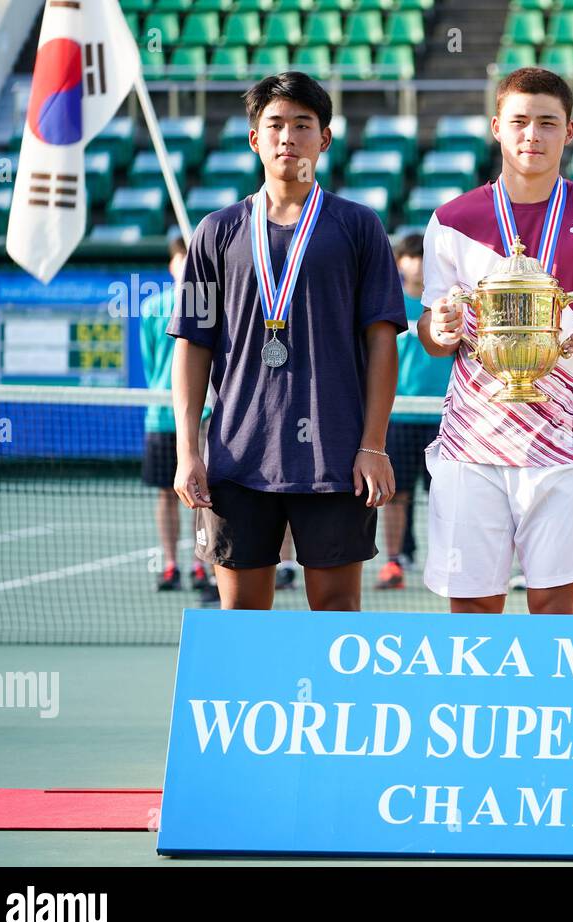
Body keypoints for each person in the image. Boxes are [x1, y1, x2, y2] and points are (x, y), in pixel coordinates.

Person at [169, 72, 406, 611]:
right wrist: (189, 452)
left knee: (337, 616)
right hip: (237, 456)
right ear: (254, 137)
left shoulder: (359, 226)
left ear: (324, 139)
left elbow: (382, 344)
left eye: (303, 124)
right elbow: (192, 345)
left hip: (337, 458)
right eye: (274, 124)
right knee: (243, 621)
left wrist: (372, 444)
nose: (287, 137)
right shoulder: (216, 232)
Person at [419, 67, 573, 614]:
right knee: (472, 607)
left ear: (569, 131)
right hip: (473, 445)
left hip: (565, 443)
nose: (532, 136)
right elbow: (429, 331)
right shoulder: (451, 220)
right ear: (496, 127)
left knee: (555, 609)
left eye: (548, 123)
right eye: (519, 122)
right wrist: (439, 329)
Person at [378, 232, 451, 589]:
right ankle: (394, 562)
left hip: (446, 416)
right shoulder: (390, 304)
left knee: (445, 498)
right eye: (410, 256)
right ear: (400, 263)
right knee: (396, 495)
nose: (417, 263)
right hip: (400, 415)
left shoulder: (448, 303)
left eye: (422, 256)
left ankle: (448, 563)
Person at [140, 236, 210, 593]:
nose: (184, 263)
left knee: (203, 493)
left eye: (189, 256)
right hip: (160, 418)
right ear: (171, 264)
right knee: (166, 493)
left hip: (205, 417)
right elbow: (151, 359)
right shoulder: (153, 308)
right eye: (179, 257)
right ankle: (170, 564)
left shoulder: (209, 305)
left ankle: (201, 565)